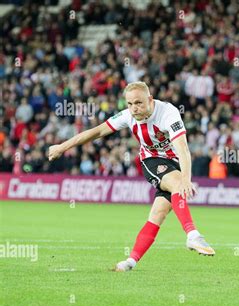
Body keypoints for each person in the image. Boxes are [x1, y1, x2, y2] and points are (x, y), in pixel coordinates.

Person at [48, 82, 215, 272]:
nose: (134, 108)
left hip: (174, 162)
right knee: (177, 185)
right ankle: (193, 235)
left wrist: (186, 177)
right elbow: (96, 132)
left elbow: (183, 148)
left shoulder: (168, 113)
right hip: (151, 161)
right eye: (129, 104)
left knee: (157, 214)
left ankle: (130, 261)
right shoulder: (128, 116)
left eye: (138, 103)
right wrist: (62, 147)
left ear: (150, 100)